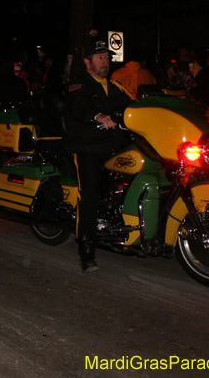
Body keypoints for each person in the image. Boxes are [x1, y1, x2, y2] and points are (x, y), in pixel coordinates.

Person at [64, 39, 131, 273]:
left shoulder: (116, 87)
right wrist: (99, 117)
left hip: (114, 145)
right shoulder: (78, 85)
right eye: (100, 57)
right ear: (87, 61)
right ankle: (86, 246)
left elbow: (134, 106)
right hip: (88, 146)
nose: (105, 62)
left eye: (107, 57)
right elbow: (81, 108)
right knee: (90, 192)